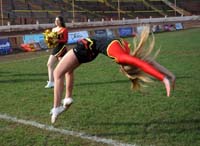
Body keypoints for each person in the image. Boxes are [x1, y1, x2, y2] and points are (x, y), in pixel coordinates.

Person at [50, 26, 176, 123]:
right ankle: (68, 98)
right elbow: (147, 62)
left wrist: (163, 79)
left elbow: (141, 63)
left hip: (86, 48)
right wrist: (169, 75)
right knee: (68, 70)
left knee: (57, 73)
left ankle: (56, 108)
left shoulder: (121, 57)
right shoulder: (125, 52)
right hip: (91, 51)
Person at [45, 16, 69, 88]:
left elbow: (65, 40)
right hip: (55, 48)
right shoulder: (53, 29)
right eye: (55, 20)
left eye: (58, 20)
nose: (56, 22)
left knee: (63, 66)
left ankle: (64, 81)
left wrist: (58, 40)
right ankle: (51, 82)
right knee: (49, 64)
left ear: (61, 21)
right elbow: (52, 39)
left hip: (61, 48)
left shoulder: (64, 30)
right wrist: (50, 42)